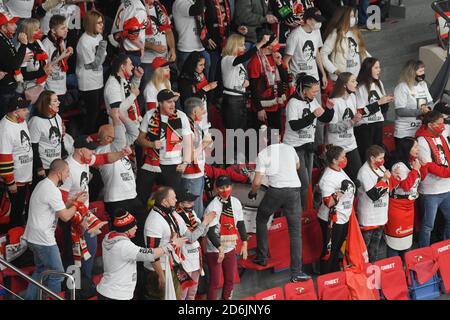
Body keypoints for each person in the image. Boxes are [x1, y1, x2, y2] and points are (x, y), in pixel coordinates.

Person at [59, 135, 132, 284]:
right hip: (72, 218)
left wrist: (121, 154)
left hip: (84, 215)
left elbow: (104, 158)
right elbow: (60, 202)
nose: (94, 152)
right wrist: (76, 205)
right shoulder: (68, 168)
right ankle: (73, 289)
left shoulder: (85, 159)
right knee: (74, 256)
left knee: (89, 252)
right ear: (80, 151)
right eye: (91, 150)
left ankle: (84, 284)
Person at [249, 128, 311, 282]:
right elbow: (297, 167)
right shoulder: (290, 148)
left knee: (262, 218)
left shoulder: (264, 153)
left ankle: (262, 257)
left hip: (276, 191)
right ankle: (296, 272)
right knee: (295, 233)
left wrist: (253, 193)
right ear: (280, 137)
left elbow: (256, 182)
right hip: (294, 192)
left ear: (264, 140)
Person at [23, 159, 87, 300]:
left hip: (33, 237)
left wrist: (72, 201)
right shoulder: (52, 190)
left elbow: (59, 206)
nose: (68, 175)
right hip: (43, 239)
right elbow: (65, 216)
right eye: (67, 172)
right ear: (59, 173)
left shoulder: (43, 185)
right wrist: (77, 204)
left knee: (42, 270)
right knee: (57, 273)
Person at [96, 208, 186, 300]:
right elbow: (150, 254)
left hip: (108, 291)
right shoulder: (124, 246)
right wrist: (172, 245)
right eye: (133, 225)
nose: (136, 227)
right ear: (126, 229)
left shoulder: (109, 237)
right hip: (116, 295)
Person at [142, 186, 216, 300]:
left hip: (171, 265)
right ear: (165, 201)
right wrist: (160, 275)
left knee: (176, 296)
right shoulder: (154, 221)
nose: (176, 200)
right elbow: (151, 253)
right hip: (159, 269)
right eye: (174, 198)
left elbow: (189, 236)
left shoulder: (169, 213)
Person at [95, 108, 147, 246]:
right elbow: (120, 140)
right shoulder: (102, 151)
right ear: (107, 138)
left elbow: (134, 133)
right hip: (117, 200)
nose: (120, 136)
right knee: (124, 236)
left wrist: (123, 117)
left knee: (140, 229)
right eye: (115, 135)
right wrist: (114, 118)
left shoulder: (116, 145)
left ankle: (140, 262)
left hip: (132, 196)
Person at [283, 74, 334, 208]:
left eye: (317, 91)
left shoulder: (312, 101)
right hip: (294, 147)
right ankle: (301, 211)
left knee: (308, 181)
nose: (316, 94)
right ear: (304, 90)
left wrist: (329, 108)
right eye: (314, 91)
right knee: (303, 182)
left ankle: (305, 210)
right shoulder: (293, 103)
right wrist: (312, 115)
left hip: (308, 145)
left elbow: (325, 118)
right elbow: (294, 125)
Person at [137, 89, 192, 204]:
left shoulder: (181, 116)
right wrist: (151, 144)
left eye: (173, 101)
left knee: (172, 199)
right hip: (151, 163)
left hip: (173, 165)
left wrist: (185, 162)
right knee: (141, 195)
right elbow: (139, 139)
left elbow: (188, 142)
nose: (172, 105)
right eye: (168, 102)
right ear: (160, 103)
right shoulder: (149, 115)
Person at [204, 175, 248, 300]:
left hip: (229, 246)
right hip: (215, 249)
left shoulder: (236, 202)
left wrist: (244, 242)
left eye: (227, 187)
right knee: (215, 282)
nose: (225, 190)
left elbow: (240, 223)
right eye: (221, 188)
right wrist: (220, 248)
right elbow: (211, 232)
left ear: (231, 187)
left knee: (230, 280)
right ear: (216, 189)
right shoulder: (212, 207)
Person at [356, 144, 401, 262]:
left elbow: (389, 187)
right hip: (368, 216)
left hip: (380, 214)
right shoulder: (364, 172)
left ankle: (373, 266)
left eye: (383, 158)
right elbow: (373, 195)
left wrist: (393, 177)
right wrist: (385, 179)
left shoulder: (381, 167)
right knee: (365, 247)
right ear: (372, 158)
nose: (383, 160)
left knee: (375, 246)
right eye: (380, 158)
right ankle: (363, 269)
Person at [317, 145, 355, 274]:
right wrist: (341, 192)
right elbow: (329, 203)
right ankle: (326, 278)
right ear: (334, 160)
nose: (346, 159)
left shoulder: (339, 169)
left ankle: (334, 274)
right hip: (332, 220)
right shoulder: (327, 178)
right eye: (343, 157)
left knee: (337, 248)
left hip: (343, 216)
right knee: (330, 250)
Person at [221, 33, 270, 132]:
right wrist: (261, 43)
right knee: (234, 133)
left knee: (241, 132)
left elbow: (238, 74)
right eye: (242, 45)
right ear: (234, 45)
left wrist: (245, 81)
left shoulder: (236, 61)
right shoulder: (227, 59)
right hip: (232, 101)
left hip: (240, 98)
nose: (244, 47)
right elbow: (245, 57)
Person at [416, 111, 450, 247]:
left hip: (447, 188)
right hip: (431, 191)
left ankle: (446, 247)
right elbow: (429, 166)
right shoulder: (422, 141)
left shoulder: (442, 135)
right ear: (430, 125)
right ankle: (423, 252)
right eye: (440, 124)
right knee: (427, 226)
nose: (443, 126)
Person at [386, 138, 423, 258]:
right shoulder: (399, 166)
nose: (418, 149)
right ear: (407, 149)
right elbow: (406, 186)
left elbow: (419, 181)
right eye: (415, 147)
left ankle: (407, 269)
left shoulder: (412, 162)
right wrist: (416, 170)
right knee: (395, 241)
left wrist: (420, 167)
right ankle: (395, 270)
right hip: (398, 207)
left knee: (407, 240)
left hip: (409, 206)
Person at [0, 95, 33, 230]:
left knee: (19, 210)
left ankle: (18, 235)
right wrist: (10, 182)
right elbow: (4, 158)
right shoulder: (5, 128)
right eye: (24, 109)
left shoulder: (20, 121)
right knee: (12, 213)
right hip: (14, 181)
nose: (28, 111)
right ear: (15, 112)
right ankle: (11, 239)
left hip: (24, 177)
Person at [247, 29, 289, 131]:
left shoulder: (276, 56)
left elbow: (285, 79)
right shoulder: (255, 61)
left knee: (276, 136)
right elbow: (253, 88)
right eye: (274, 41)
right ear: (267, 45)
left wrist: (279, 63)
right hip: (262, 108)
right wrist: (259, 109)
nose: (277, 43)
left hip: (275, 105)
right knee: (262, 140)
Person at [355, 57, 394, 161]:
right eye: (376, 67)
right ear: (368, 69)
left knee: (379, 157)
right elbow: (361, 112)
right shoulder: (360, 86)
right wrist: (379, 102)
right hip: (365, 127)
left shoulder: (379, 83)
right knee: (367, 158)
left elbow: (383, 110)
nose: (379, 70)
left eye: (379, 67)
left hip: (378, 124)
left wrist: (386, 102)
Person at [76, 9, 107, 134]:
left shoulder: (98, 36)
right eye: (99, 23)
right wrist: (103, 47)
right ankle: (86, 138)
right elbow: (93, 65)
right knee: (91, 113)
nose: (102, 25)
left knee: (98, 110)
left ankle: (94, 135)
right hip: (88, 81)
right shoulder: (84, 41)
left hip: (98, 79)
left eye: (102, 22)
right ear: (91, 24)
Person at [326, 72, 362, 181]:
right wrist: (352, 121)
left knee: (357, 178)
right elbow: (332, 127)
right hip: (337, 146)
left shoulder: (353, 97)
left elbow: (355, 121)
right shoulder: (334, 102)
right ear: (344, 85)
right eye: (353, 81)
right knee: (341, 180)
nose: (356, 83)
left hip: (351, 144)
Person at [283, 7, 327, 93]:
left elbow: (316, 52)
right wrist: (290, 81)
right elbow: (285, 61)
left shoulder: (317, 31)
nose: (319, 23)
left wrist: (323, 74)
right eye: (317, 20)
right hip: (300, 81)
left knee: (317, 105)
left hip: (315, 79)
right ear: (308, 20)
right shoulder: (295, 35)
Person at [181, 97, 212, 218]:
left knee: (198, 209)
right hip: (191, 176)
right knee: (192, 211)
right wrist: (204, 144)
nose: (204, 112)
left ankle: (197, 235)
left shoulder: (195, 125)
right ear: (194, 111)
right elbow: (190, 156)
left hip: (197, 173)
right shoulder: (187, 128)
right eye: (202, 109)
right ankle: (194, 236)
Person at [321, 6, 370, 82]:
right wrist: (335, 71)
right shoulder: (335, 34)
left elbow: (362, 51)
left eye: (353, 16)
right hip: (341, 80)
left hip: (356, 79)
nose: (353, 19)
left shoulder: (355, 32)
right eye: (350, 16)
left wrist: (372, 63)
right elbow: (323, 54)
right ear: (343, 18)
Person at [175, 191, 206, 300]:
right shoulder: (177, 216)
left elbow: (203, 232)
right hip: (183, 256)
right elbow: (191, 238)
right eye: (188, 202)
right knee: (182, 293)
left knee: (193, 292)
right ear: (180, 204)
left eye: (192, 201)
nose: (192, 204)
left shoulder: (192, 213)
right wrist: (205, 223)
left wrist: (202, 226)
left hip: (195, 255)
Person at [394, 60, 433, 143]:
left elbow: (431, 103)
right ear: (412, 73)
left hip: (420, 130)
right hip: (405, 132)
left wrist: (428, 108)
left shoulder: (423, 84)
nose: (423, 73)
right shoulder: (402, 87)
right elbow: (400, 111)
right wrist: (420, 111)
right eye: (420, 71)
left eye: (423, 71)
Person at [0, 11, 30, 118]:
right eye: (12, 24)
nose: (16, 26)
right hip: (4, 88)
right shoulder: (1, 42)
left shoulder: (5, 38)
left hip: (9, 85)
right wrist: (23, 45)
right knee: (5, 119)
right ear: (3, 27)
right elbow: (14, 65)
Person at [28, 90, 63, 179]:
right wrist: (39, 167)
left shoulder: (57, 117)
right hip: (44, 167)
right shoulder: (36, 121)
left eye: (57, 100)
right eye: (55, 101)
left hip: (57, 165)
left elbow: (60, 140)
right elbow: (33, 147)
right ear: (47, 104)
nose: (59, 102)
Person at [141, 0, 175, 87]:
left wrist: (172, 49)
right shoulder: (138, 9)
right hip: (147, 61)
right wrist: (152, 46)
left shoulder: (160, 7)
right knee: (147, 92)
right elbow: (132, 37)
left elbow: (168, 31)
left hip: (163, 61)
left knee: (164, 91)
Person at [42, 14, 73, 107]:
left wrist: (67, 55)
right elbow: (45, 67)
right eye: (63, 28)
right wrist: (61, 56)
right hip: (51, 88)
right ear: (53, 30)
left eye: (66, 27)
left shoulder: (61, 41)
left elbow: (61, 64)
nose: (66, 30)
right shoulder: (46, 44)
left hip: (61, 85)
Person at [172, 0, 210, 76]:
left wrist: (207, 38)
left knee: (204, 81)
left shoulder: (192, 1)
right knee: (188, 82)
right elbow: (197, 10)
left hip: (200, 47)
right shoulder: (180, 2)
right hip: (186, 49)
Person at [104, 53, 144, 125]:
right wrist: (133, 96)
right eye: (130, 64)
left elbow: (131, 92)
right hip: (120, 127)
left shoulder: (122, 78)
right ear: (122, 66)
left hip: (128, 124)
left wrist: (137, 78)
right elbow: (117, 111)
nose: (132, 67)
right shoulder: (113, 85)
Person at [18, 18, 54, 92]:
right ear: (29, 32)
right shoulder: (23, 48)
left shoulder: (38, 42)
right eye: (36, 30)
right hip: (28, 89)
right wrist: (43, 72)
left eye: (39, 28)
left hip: (41, 85)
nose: (40, 31)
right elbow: (24, 75)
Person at [110, 0, 148, 67]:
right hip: (131, 52)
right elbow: (132, 35)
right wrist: (142, 48)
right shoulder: (139, 9)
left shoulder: (127, 2)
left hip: (118, 46)